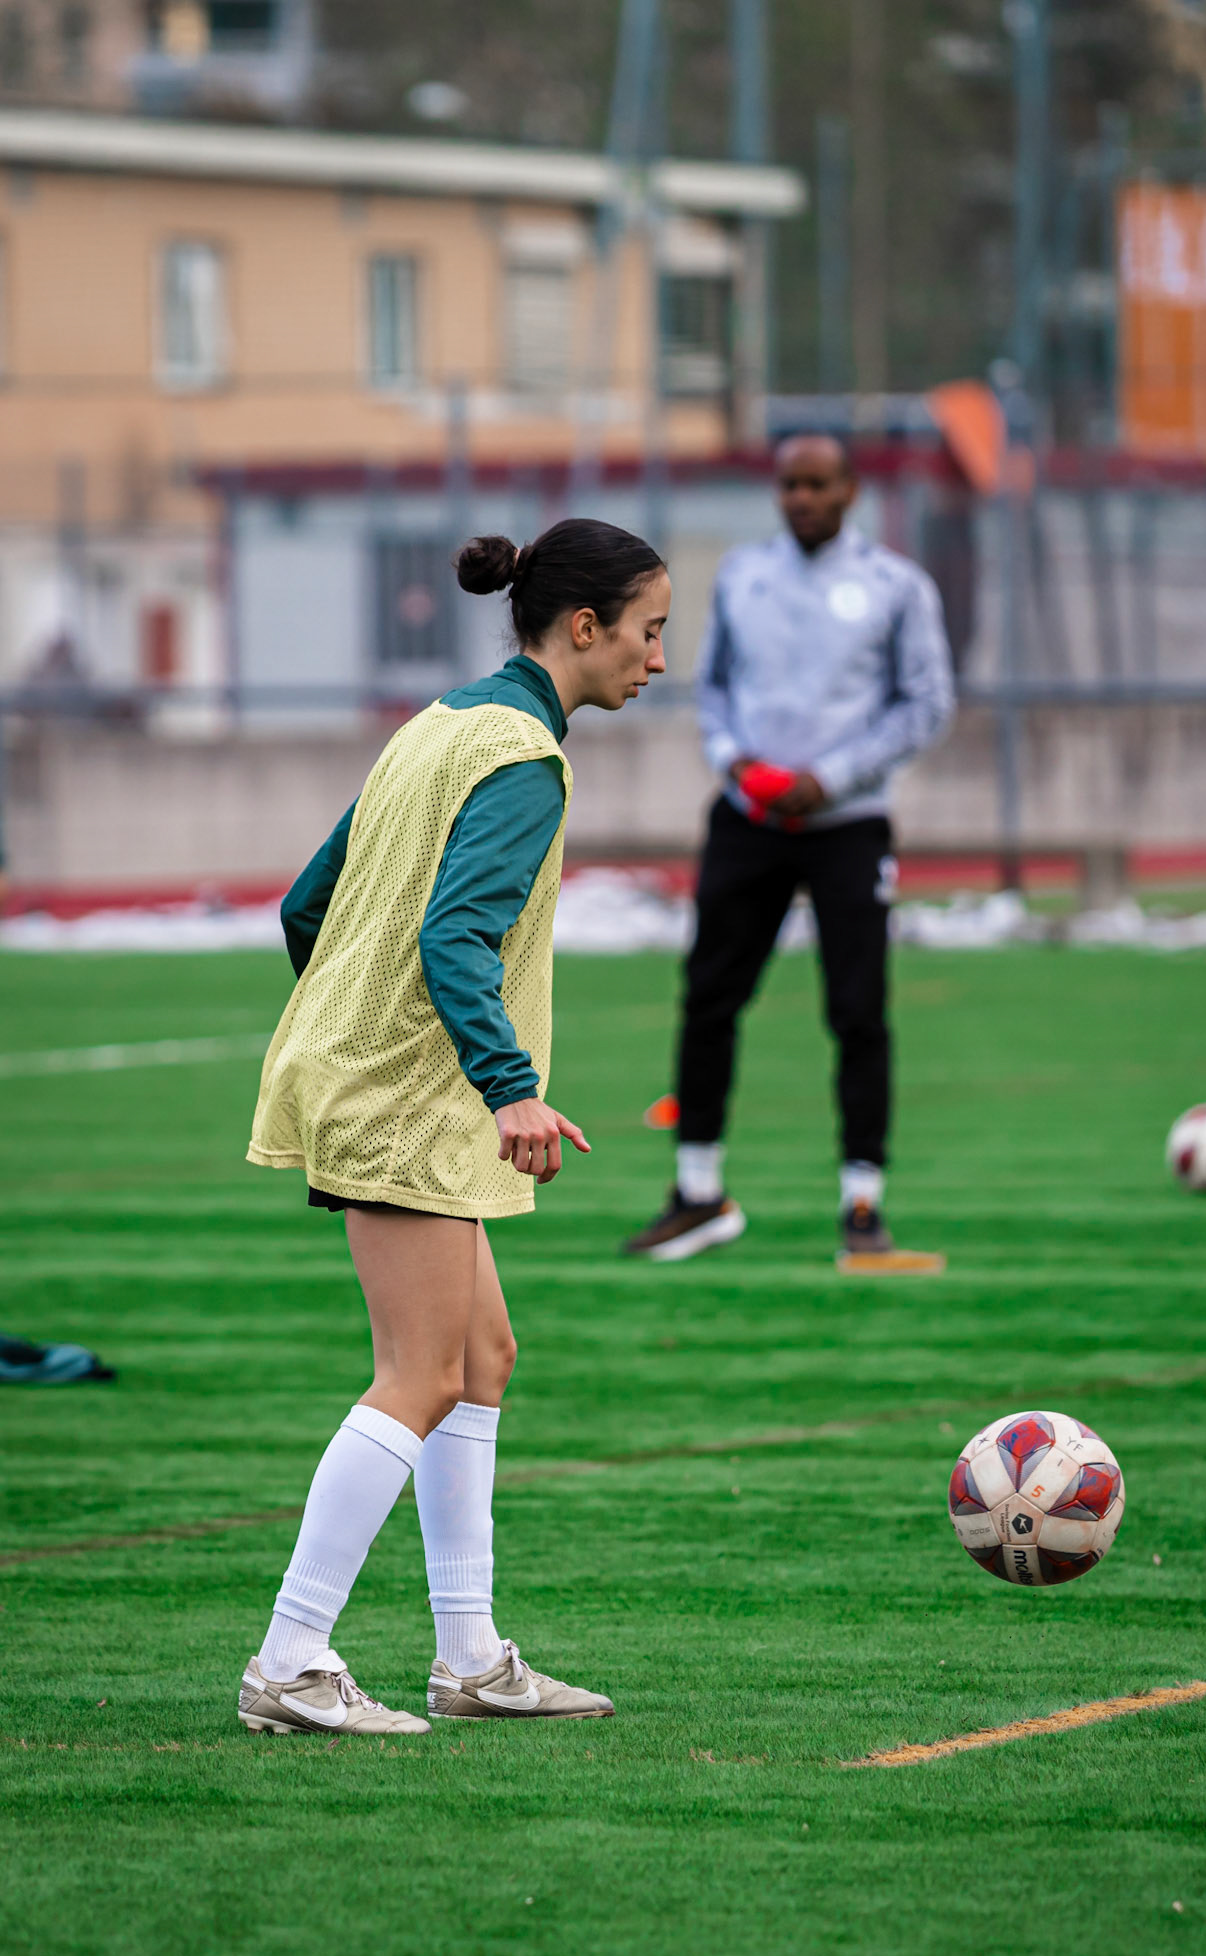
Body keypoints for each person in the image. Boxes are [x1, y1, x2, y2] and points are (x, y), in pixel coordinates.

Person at [239, 518, 669, 1735]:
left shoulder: (437, 724)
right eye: (649, 632)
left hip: (381, 1079)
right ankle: (288, 1658)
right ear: (582, 628)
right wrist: (506, 1084)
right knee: (419, 1373)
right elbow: (452, 937)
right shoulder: (525, 755)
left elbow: (305, 904)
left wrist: (347, 1031)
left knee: (481, 1358)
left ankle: (470, 1655)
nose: (655, 658)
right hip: (412, 1097)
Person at [624, 435, 954, 1263]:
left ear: (849, 490)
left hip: (848, 822)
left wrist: (832, 775)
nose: (800, 498)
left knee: (856, 1011)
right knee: (708, 997)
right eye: (788, 485)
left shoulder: (895, 587)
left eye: (817, 484)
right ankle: (697, 1193)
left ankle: (861, 1205)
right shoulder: (744, 574)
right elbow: (716, 685)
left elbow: (925, 703)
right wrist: (733, 759)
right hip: (748, 817)